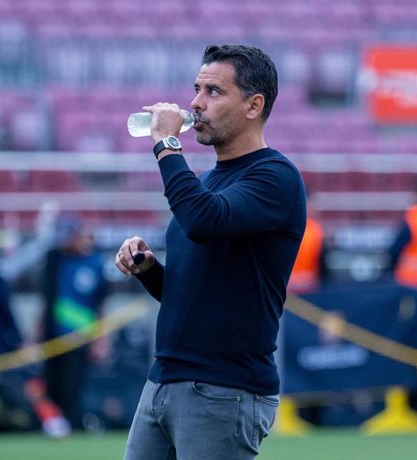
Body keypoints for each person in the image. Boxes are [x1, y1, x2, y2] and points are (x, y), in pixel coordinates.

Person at [114, 44, 306, 459]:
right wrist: (148, 269)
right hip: (164, 380)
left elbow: (204, 222)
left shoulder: (275, 176)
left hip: (224, 390)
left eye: (213, 92)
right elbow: (190, 291)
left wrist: (166, 142)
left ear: (254, 105)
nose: (196, 104)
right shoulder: (205, 182)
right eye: (196, 89)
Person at [40, 214, 110, 432]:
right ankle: (55, 423)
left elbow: (100, 306)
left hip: (80, 337)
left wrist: (100, 339)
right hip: (55, 336)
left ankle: (73, 425)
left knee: (73, 385)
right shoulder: (58, 261)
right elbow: (48, 301)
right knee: (51, 383)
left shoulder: (96, 264)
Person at [288, 191, 326, 294]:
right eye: (312, 203)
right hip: (287, 284)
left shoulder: (316, 228)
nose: (315, 208)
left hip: (310, 284)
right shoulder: (288, 226)